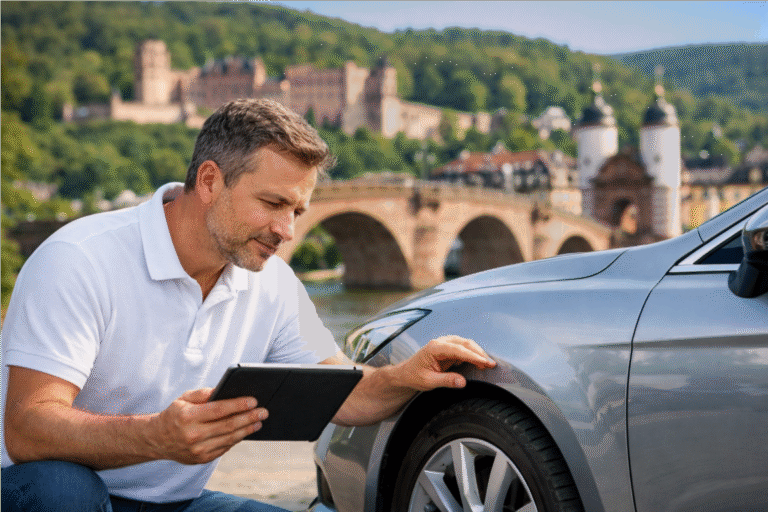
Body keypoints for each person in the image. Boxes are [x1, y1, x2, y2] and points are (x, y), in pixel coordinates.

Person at [0, 98, 496, 511]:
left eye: (297, 211)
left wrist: (403, 377)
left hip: (177, 505)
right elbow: (27, 428)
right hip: (45, 492)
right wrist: (156, 436)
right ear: (210, 181)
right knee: (63, 492)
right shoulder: (80, 258)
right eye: (274, 204)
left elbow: (341, 393)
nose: (288, 231)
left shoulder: (270, 281)